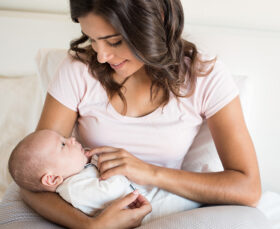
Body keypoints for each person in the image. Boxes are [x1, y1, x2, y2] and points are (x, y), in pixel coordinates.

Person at [20, 0, 262, 228]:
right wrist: (93, 226)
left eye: (113, 42)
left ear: (155, 21)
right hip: (88, 208)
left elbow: (248, 188)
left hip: (164, 207)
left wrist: (148, 172)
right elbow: (35, 177)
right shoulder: (78, 70)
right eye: (92, 39)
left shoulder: (202, 76)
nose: (101, 56)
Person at [9, 129, 199, 223]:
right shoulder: (74, 189)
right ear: (51, 179)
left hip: (148, 193)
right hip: (151, 207)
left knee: (189, 194)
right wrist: (102, 164)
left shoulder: (78, 174)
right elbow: (111, 191)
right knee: (186, 201)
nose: (72, 139)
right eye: (63, 145)